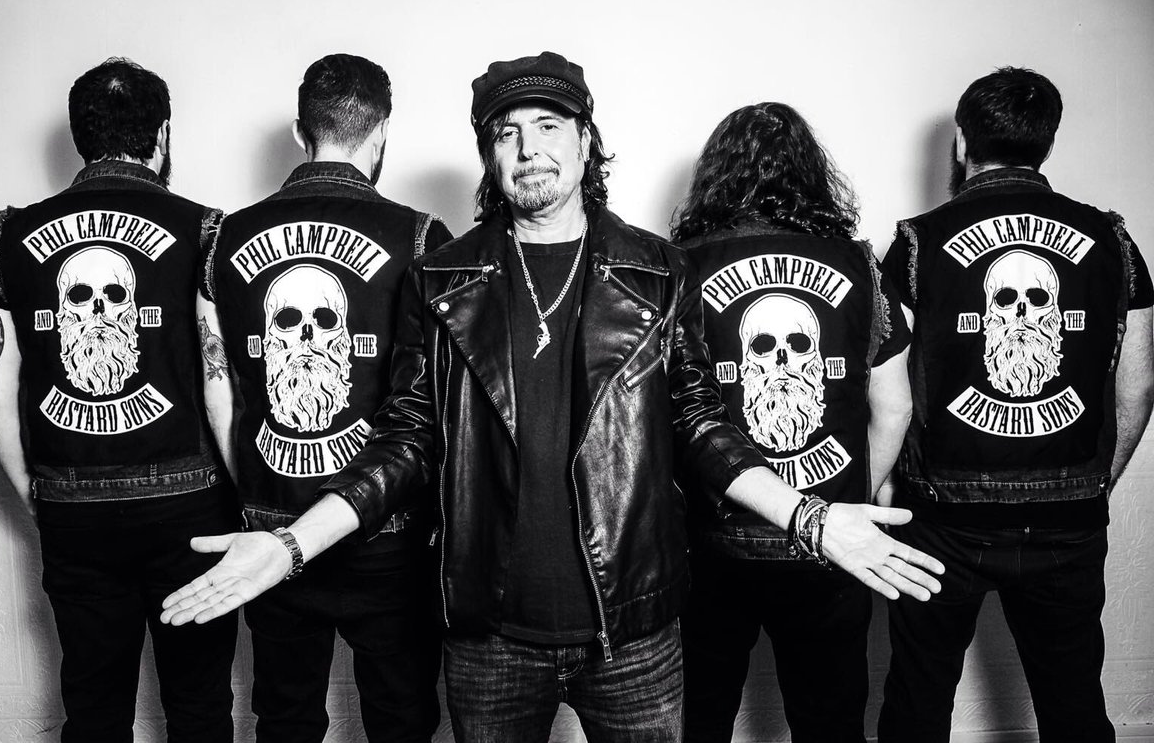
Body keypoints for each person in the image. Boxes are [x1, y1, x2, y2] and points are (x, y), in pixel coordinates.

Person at [162, 51, 943, 743]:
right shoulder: (441, 280)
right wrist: (291, 542)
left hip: (632, 632)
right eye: (506, 133)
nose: (529, 147)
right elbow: (405, 441)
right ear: (489, 155)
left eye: (548, 125)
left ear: (585, 140)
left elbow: (701, 423)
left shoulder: (658, 272)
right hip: (488, 638)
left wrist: (811, 517)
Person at [876, 67, 1154, 743]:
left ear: (962, 142)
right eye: (1009, 301)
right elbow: (1140, 382)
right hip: (1068, 520)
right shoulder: (1115, 242)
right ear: (1045, 144)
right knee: (1073, 707)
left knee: (917, 705)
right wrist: (1097, 481)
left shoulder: (916, 242)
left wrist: (887, 489)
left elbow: (888, 390)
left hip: (942, 522)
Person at [0, 58, 238, 742]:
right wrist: (243, 495)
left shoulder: (12, 236)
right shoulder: (204, 229)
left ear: (80, 135)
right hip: (190, 507)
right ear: (163, 134)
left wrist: (34, 492)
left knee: (93, 710)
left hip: (72, 511)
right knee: (200, 706)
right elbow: (219, 383)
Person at [197, 53, 449, 742]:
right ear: (382, 131)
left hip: (269, 530)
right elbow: (438, 406)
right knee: (402, 720)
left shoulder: (223, 238)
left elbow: (218, 388)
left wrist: (255, 496)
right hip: (390, 536)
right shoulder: (421, 237)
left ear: (299, 130)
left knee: (285, 719)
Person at [671, 102, 914, 743]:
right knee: (830, 725)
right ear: (811, 173)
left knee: (698, 721)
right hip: (829, 546)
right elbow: (896, 406)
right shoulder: (861, 267)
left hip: (707, 545)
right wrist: (849, 501)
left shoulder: (677, 265)